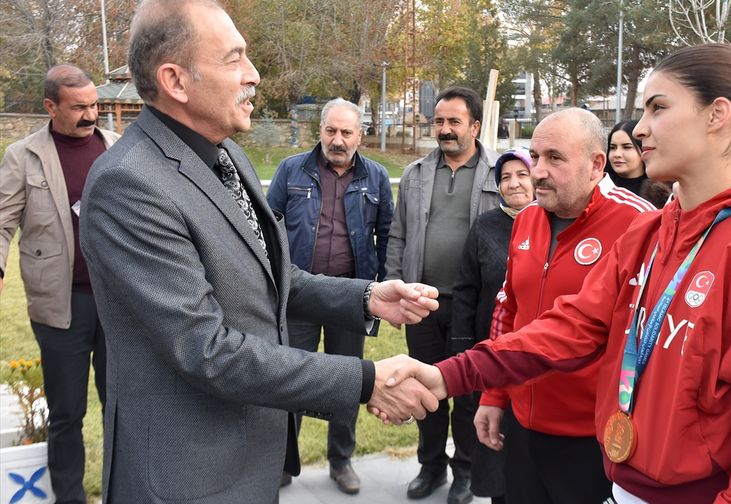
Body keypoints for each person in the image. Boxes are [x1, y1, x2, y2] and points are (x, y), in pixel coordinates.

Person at [384, 43, 731, 504]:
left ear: (716, 115)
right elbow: (566, 329)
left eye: (657, 108)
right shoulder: (651, 235)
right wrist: (446, 376)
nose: (640, 129)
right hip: (621, 483)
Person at [78, 1, 439, 502]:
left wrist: (366, 298)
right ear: (176, 81)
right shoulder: (130, 184)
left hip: (250, 459)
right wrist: (364, 380)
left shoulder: (227, 155)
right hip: (189, 476)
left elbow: (271, 277)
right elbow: (207, 351)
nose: (254, 74)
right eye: (234, 59)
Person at [453, 110, 655, 504]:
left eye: (555, 158)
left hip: (594, 438)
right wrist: (494, 396)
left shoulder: (640, 223)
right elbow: (507, 313)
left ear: (597, 164)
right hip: (522, 426)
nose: (537, 171)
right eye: (535, 156)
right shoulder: (527, 218)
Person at [0, 64, 120, 504]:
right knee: (67, 413)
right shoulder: (23, 156)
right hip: (60, 306)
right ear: (50, 107)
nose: (91, 115)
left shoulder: (116, 148)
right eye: (79, 107)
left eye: (94, 105)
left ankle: (118, 491)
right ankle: (69, 498)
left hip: (118, 305)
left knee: (120, 408)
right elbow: (1, 223)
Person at [266, 97, 394, 494]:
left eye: (346, 132)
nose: (337, 140)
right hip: (299, 295)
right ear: (320, 131)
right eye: (331, 131)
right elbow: (267, 229)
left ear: (361, 135)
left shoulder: (376, 178)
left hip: (350, 297)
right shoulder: (291, 170)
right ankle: (284, 462)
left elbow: (387, 236)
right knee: (290, 378)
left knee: (346, 379)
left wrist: (383, 286)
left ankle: (341, 461)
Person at [385, 86, 499, 503]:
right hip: (421, 303)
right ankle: (430, 467)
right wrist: (395, 290)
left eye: (454, 121)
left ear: (474, 125)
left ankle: (465, 470)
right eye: (439, 121)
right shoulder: (416, 173)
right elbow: (397, 236)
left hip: (472, 306)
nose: (445, 130)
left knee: (468, 393)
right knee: (422, 389)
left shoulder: (497, 174)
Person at [447, 146, 533, 504]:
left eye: (522, 174)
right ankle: (471, 478)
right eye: (505, 178)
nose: (513, 184)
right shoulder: (485, 226)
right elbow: (466, 287)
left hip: (533, 351)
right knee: (481, 418)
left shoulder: (553, 223)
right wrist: (464, 341)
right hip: (489, 344)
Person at [605, 119, 671, 208]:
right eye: (613, 147)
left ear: (644, 149)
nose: (617, 154)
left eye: (626, 147)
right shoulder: (599, 187)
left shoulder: (664, 194)